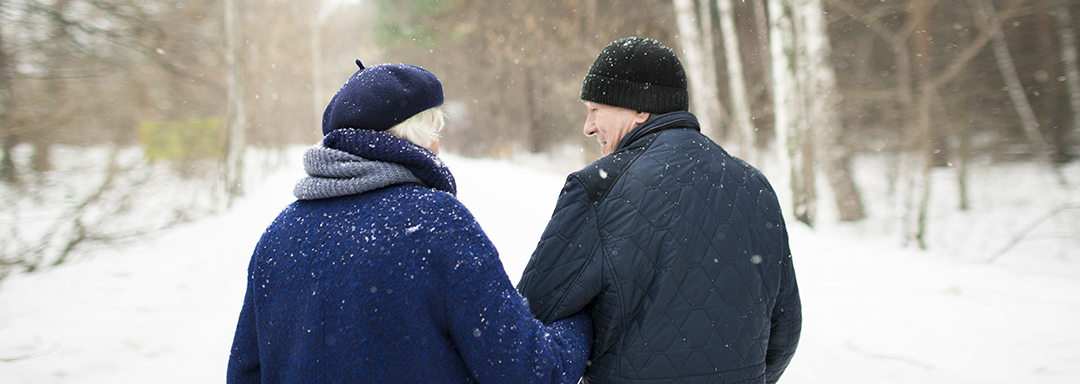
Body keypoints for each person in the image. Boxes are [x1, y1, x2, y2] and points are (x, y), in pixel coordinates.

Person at [227, 60, 592, 384]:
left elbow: (245, 372)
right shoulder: (436, 223)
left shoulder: (279, 235)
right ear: (422, 138)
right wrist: (581, 321)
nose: (438, 146)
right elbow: (527, 370)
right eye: (436, 132)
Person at [517, 37, 801, 383]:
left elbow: (531, 320)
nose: (587, 126)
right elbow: (784, 332)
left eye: (595, 109)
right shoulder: (754, 185)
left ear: (640, 109)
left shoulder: (600, 187)